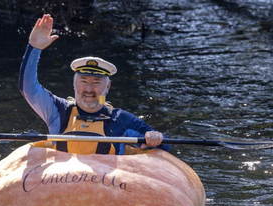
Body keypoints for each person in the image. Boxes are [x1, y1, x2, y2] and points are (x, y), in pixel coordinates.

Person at [19, 14, 171, 155]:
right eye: (83, 81)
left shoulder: (121, 120)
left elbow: (165, 145)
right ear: (74, 84)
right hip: (61, 181)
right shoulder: (58, 111)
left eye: (96, 82)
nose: (89, 89)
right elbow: (28, 89)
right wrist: (34, 48)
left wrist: (156, 137)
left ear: (108, 87)